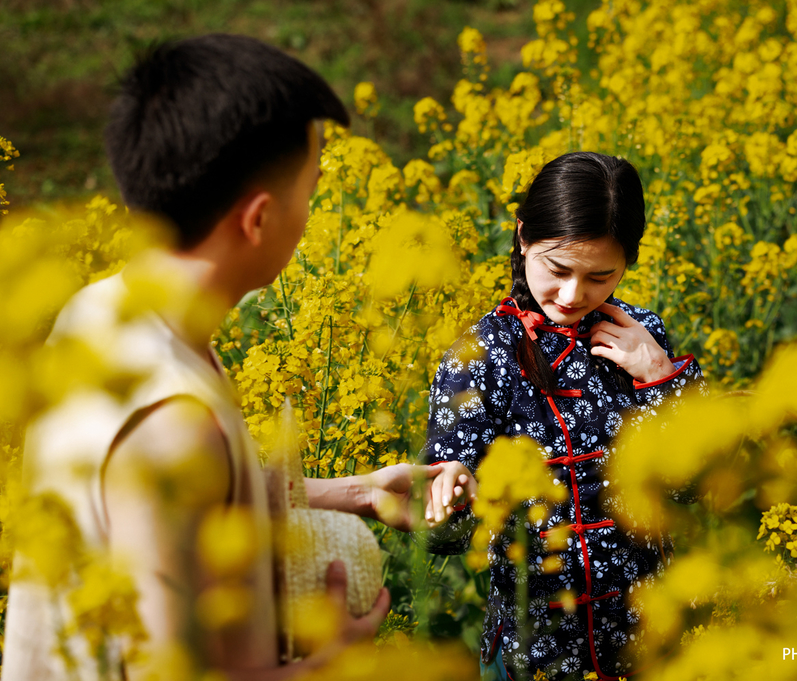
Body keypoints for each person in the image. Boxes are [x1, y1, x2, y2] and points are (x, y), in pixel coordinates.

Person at [2, 34, 442, 681]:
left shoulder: (101, 311)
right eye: (312, 189)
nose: (314, 208)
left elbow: (166, 519)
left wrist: (357, 491)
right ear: (258, 218)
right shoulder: (174, 422)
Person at [423, 152, 707, 681]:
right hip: (538, 652)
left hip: (650, 641)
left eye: (601, 276)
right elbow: (443, 533)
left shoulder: (641, 334)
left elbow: (692, 485)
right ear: (524, 236)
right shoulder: (482, 354)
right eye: (557, 270)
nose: (573, 295)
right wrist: (452, 491)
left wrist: (660, 375)